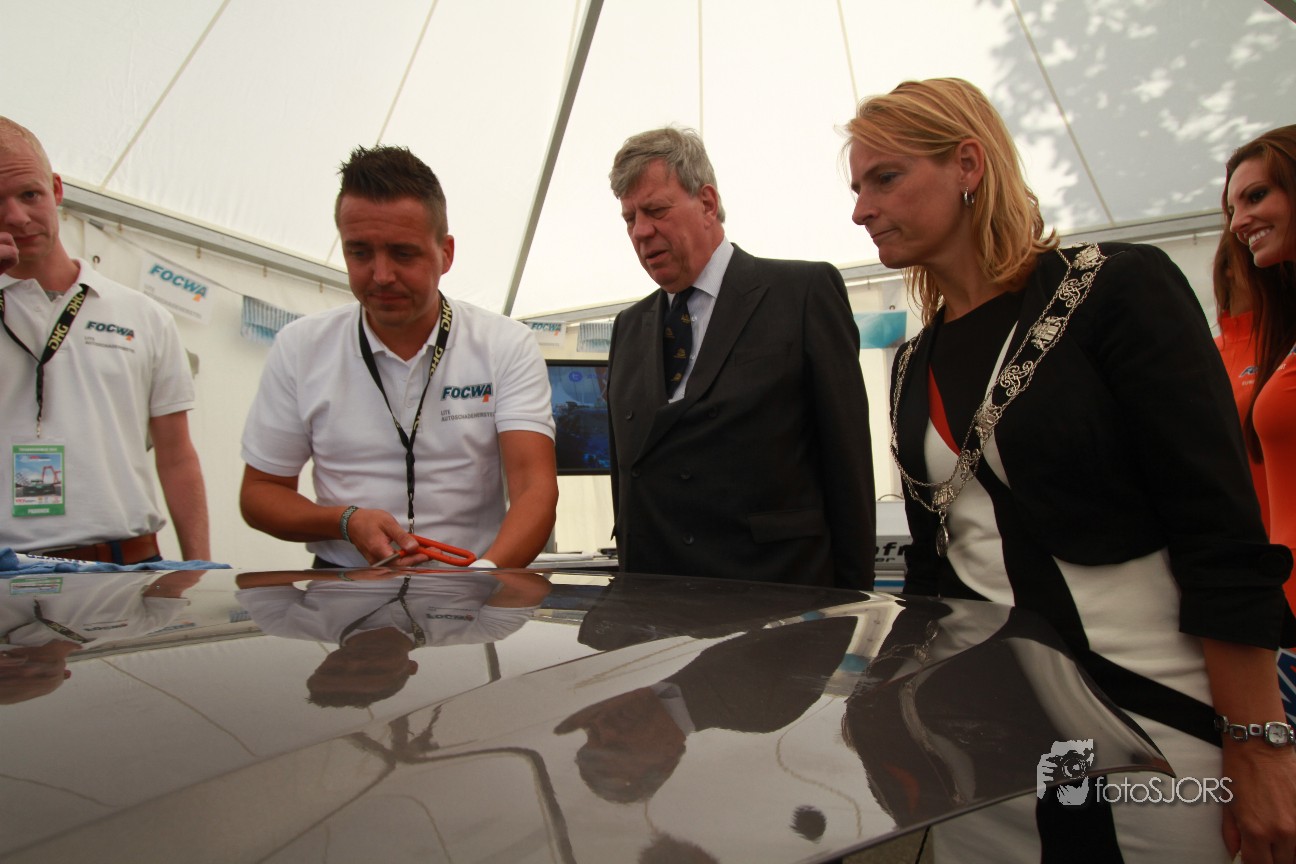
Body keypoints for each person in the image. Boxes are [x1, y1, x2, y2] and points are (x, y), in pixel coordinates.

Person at [845, 79, 1295, 863]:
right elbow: (933, 569)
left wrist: (1258, 745)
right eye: (856, 188)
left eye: (884, 178)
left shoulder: (1115, 288)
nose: (861, 210)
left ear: (968, 165)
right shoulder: (911, 362)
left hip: (1153, 733)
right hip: (985, 753)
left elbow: (1219, 532)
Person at [239, 145, 558, 569]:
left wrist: (482, 579)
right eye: (359, 253)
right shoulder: (300, 347)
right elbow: (260, 493)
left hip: (476, 582)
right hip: (345, 587)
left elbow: (535, 488)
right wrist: (345, 521)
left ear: (446, 253)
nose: (381, 275)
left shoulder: (505, 344)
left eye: (403, 253)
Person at [605, 127, 875, 590]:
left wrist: (855, 603)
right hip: (654, 604)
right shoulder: (628, 327)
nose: (641, 231)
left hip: (774, 600)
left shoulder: (801, 294)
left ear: (707, 203)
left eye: (656, 211)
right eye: (630, 218)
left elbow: (848, 469)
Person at [0, 117, 210, 564]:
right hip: (8, 566)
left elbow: (176, 455)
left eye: (29, 194)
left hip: (126, 561)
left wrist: (199, 567)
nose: (16, 217)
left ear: (56, 189)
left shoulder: (144, 315)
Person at [1223, 125, 1296, 728]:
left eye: (1257, 196)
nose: (1239, 222)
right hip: (1283, 616)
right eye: (1232, 209)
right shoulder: (1280, 333)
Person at [235, 568, 550, 707]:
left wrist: (342, 575)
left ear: (322, 664)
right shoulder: (480, 631)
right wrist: (467, 564)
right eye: (372, 671)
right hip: (464, 521)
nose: (355, 663)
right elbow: (532, 587)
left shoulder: (286, 626)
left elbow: (251, 581)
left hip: (354, 515)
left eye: (335, 669)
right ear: (410, 667)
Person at [1211, 232, 1270, 531]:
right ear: (1227, 267)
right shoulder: (1201, 355)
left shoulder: (1286, 347)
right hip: (1237, 541)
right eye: (1248, 249)